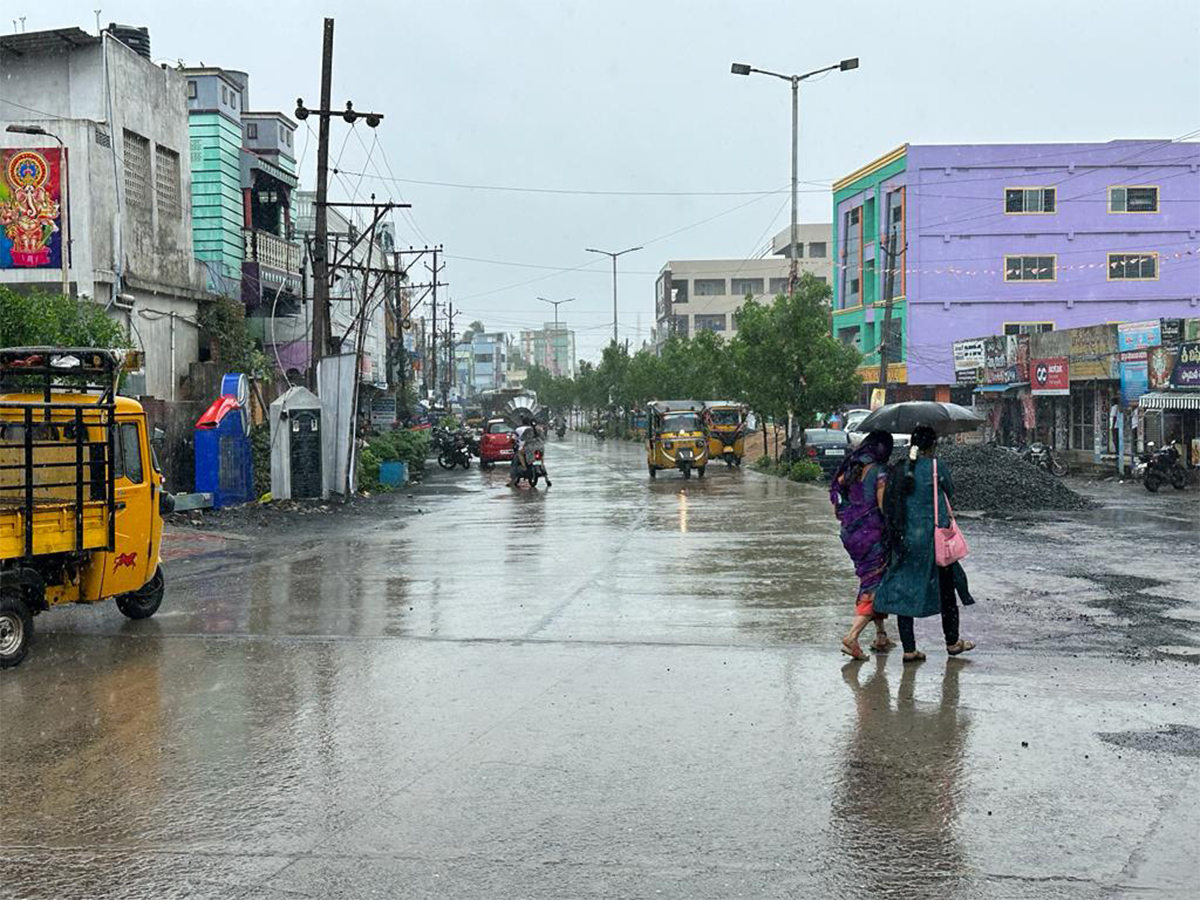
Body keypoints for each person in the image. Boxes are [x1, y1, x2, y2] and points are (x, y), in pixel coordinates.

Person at [874, 425, 975, 662]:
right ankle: (952, 643)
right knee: (947, 593)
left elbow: (890, 502)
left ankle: (909, 650)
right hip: (935, 542)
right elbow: (950, 491)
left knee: (903, 591)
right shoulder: (936, 467)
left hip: (905, 541)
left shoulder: (899, 469)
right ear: (933, 446)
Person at [830, 430, 895, 660]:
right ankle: (852, 637)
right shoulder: (880, 473)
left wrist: (848, 516)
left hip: (851, 534)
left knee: (872, 579)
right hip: (873, 536)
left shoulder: (849, 470)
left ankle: (881, 635)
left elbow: (836, 494)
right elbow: (883, 506)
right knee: (873, 585)